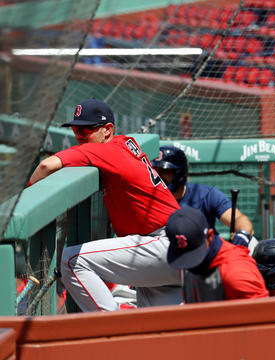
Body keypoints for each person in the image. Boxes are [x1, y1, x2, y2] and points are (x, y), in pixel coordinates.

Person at [29, 99, 182, 311]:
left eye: (87, 130)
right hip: (175, 250)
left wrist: (25, 198)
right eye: (76, 129)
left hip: (162, 243)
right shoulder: (125, 143)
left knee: (71, 261)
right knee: (159, 329)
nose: (80, 136)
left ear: (107, 130)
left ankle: (110, 329)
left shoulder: (103, 150)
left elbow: (46, 165)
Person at [151, 146, 254, 248]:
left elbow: (239, 219)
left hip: (205, 253)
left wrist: (243, 235)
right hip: (170, 254)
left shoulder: (206, 194)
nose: (158, 176)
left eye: (165, 171)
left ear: (179, 173)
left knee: (252, 242)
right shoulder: (148, 199)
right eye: (155, 170)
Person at [165, 206, 268, 302]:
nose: (189, 264)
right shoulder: (187, 264)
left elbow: (264, 315)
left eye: (194, 254)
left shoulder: (236, 273)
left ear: (210, 236)